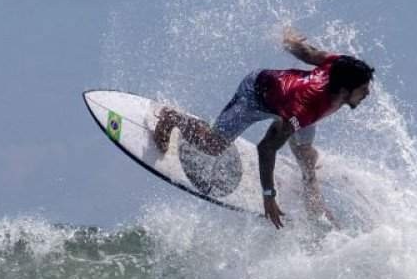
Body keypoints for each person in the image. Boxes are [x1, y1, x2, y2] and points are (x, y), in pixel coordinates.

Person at [153, 27, 374, 229]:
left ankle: (312, 191)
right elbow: (267, 148)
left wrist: (290, 40)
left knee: (306, 156)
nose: (367, 93)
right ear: (345, 90)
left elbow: (309, 54)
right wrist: (269, 195)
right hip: (255, 95)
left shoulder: (339, 66)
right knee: (213, 145)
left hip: (288, 101)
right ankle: (173, 118)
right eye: (363, 89)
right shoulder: (305, 108)